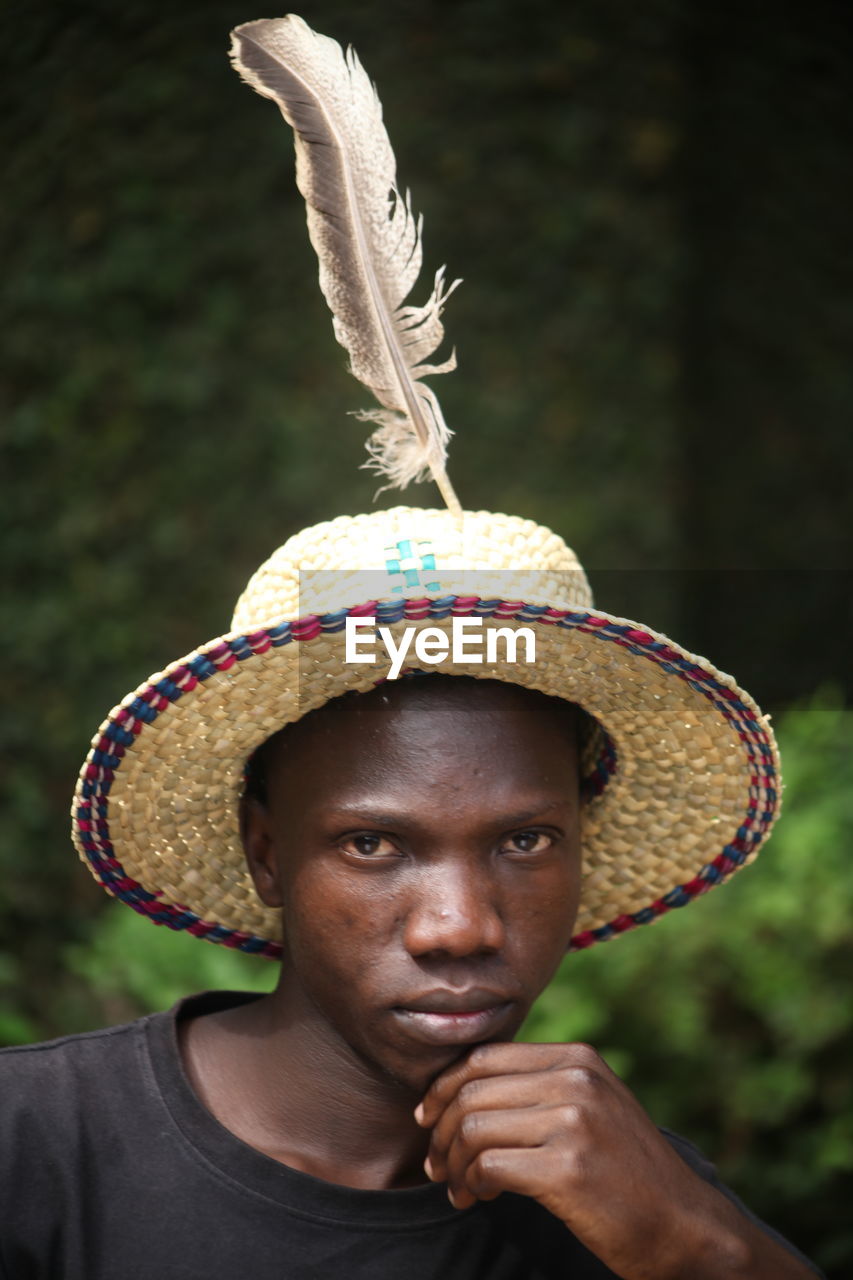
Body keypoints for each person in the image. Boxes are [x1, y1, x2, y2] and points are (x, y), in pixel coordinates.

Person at [0, 17, 825, 1279]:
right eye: (373, 842)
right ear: (266, 849)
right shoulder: (36, 1151)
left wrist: (699, 1242)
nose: (457, 925)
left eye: (522, 838)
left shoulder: (628, 1207)